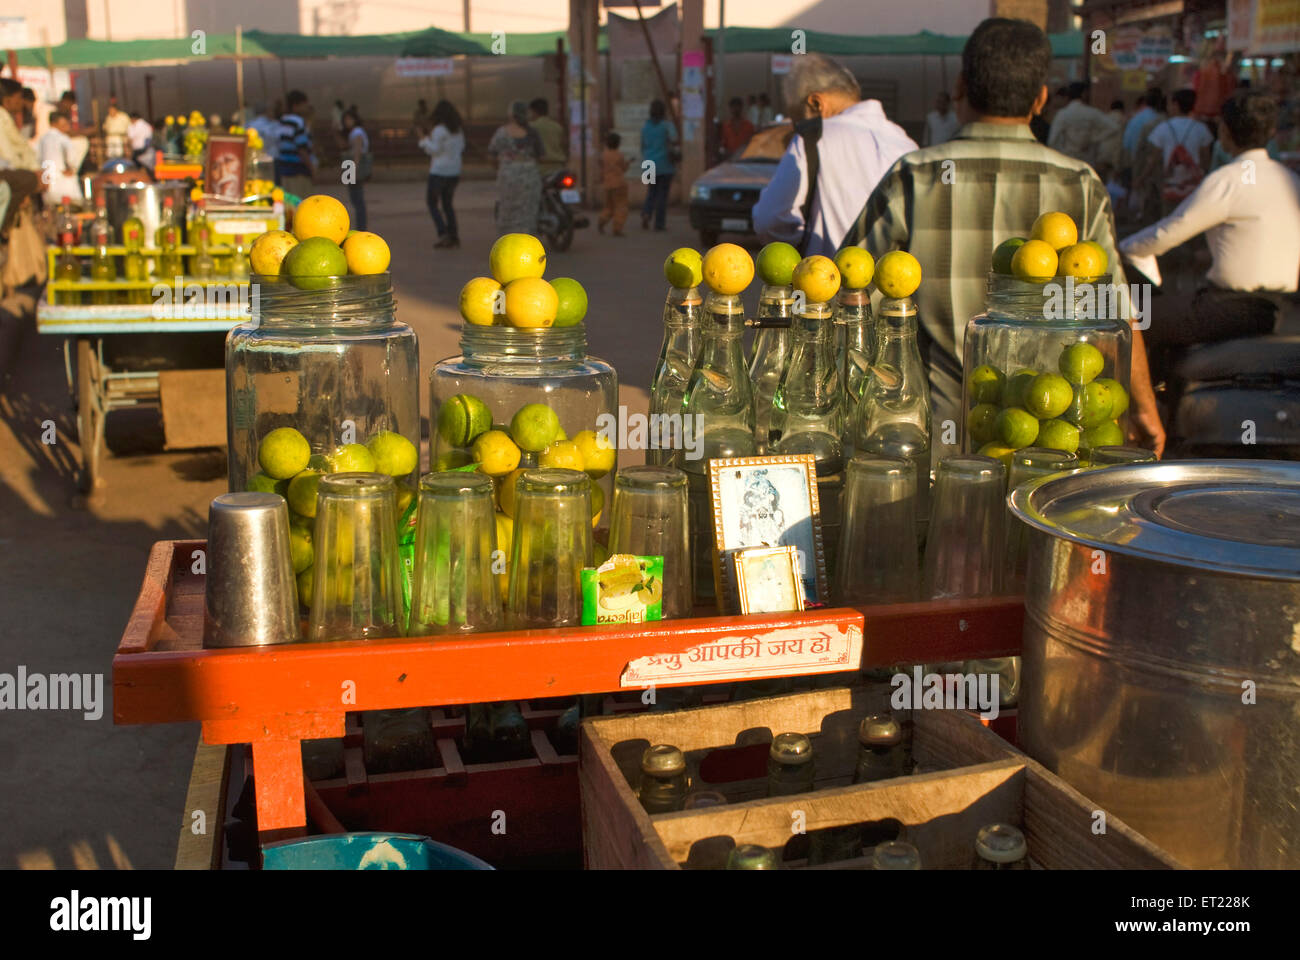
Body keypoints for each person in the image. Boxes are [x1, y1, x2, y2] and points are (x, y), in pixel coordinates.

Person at [839, 17, 1165, 458]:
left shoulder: (915, 176)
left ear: (960, 87)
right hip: (1049, 438)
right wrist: (1144, 408)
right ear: (1041, 99)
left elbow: (850, 290)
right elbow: (1118, 309)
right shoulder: (1079, 183)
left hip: (932, 435)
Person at [1119, 90, 1300, 362]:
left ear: (1224, 131)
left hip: (1233, 309)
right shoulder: (1291, 179)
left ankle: (1151, 403)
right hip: (1283, 306)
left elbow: (1169, 232)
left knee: (1129, 319)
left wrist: (1124, 247)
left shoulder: (1229, 179)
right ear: (1272, 132)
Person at [752, 54, 916, 258]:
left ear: (816, 103)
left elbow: (769, 221)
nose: (796, 128)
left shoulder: (814, 136)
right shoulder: (906, 143)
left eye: (797, 119)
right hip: (891, 285)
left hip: (827, 282)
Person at [1143, 89, 1213, 214]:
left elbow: (1153, 159)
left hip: (1171, 185)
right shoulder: (1201, 129)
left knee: (1170, 222)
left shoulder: (1162, 128)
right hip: (1194, 187)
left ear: (1175, 105)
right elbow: (1206, 159)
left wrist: (1142, 177)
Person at [488, 100, 543, 235]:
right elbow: (540, 156)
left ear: (511, 114)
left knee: (507, 209)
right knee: (528, 211)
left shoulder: (501, 133)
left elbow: (491, 156)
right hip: (530, 175)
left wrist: (502, 168)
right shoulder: (532, 133)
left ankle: (508, 243)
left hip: (508, 175)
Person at [1047, 81, 1121, 180]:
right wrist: (1095, 139)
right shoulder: (1091, 113)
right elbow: (1114, 128)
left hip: (1066, 160)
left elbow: (1052, 141)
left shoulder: (1063, 114)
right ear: (1083, 94)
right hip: (1087, 161)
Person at [420, 99, 465, 249]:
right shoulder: (458, 130)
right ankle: (454, 235)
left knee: (432, 203)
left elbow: (434, 150)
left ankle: (443, 234)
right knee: (447, 204)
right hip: (454, 172)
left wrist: (424, 140)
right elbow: (462, 147)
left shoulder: (439, 130)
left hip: (439, 171)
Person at [0, 78, 40, 235]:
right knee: (25, 180)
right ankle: (4, 231)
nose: (21, 102)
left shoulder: (5, 117)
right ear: (7, 99)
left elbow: (19, 149)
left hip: (9, 168)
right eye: (18, 97)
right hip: (6, 168)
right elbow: (7, 153)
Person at [639, 99, 679, 232]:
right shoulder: (667, 126)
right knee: (662, 195)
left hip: (648, 164)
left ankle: (646, 213)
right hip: (664, 165)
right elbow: (674, 140)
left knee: (651, 192)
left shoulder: (646, 127)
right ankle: (659, 224)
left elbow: (643, 145)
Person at [276, 90, 316, 200]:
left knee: (290, 205)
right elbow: (302, 149)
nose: (306, 107)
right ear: (296, 106)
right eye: (304, 105)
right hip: (298, 171)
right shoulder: (298, 122)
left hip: (285, 170)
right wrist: (312, 169)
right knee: (302, 206)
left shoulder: (282, 121)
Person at [37, 111, 80, 205]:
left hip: (47, 180)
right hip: (63, 180)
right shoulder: (64, 139)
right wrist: (72, 169)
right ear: (54, 124)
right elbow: (72, 159)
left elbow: (38, 158)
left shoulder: (43, 139)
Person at [342, 110, 370, 231]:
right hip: (352, 166)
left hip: (353, 167)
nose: (347, 122)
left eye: (349, 119)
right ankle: (361, 226)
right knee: (356, 199)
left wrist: (353, 168)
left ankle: (361, 228)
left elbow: (358, 149)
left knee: (357, 199)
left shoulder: (357, 132)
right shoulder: (354, 132)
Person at [598, 131, 630, 236]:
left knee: (608, 206)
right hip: (619, 184)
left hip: (607, 184)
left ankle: (602, 220)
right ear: (618, 144)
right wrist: (628, 163)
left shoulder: (604, 155)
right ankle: (617, 228)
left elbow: (601, 169)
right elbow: (623, 168)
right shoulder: (619, 155)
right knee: (620, 207)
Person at [528, 98, 567, 177]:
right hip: (558, 167)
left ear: (534, 111)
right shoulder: (557, 127)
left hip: (539, 168)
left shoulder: (531, 127)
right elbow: (564, 145)